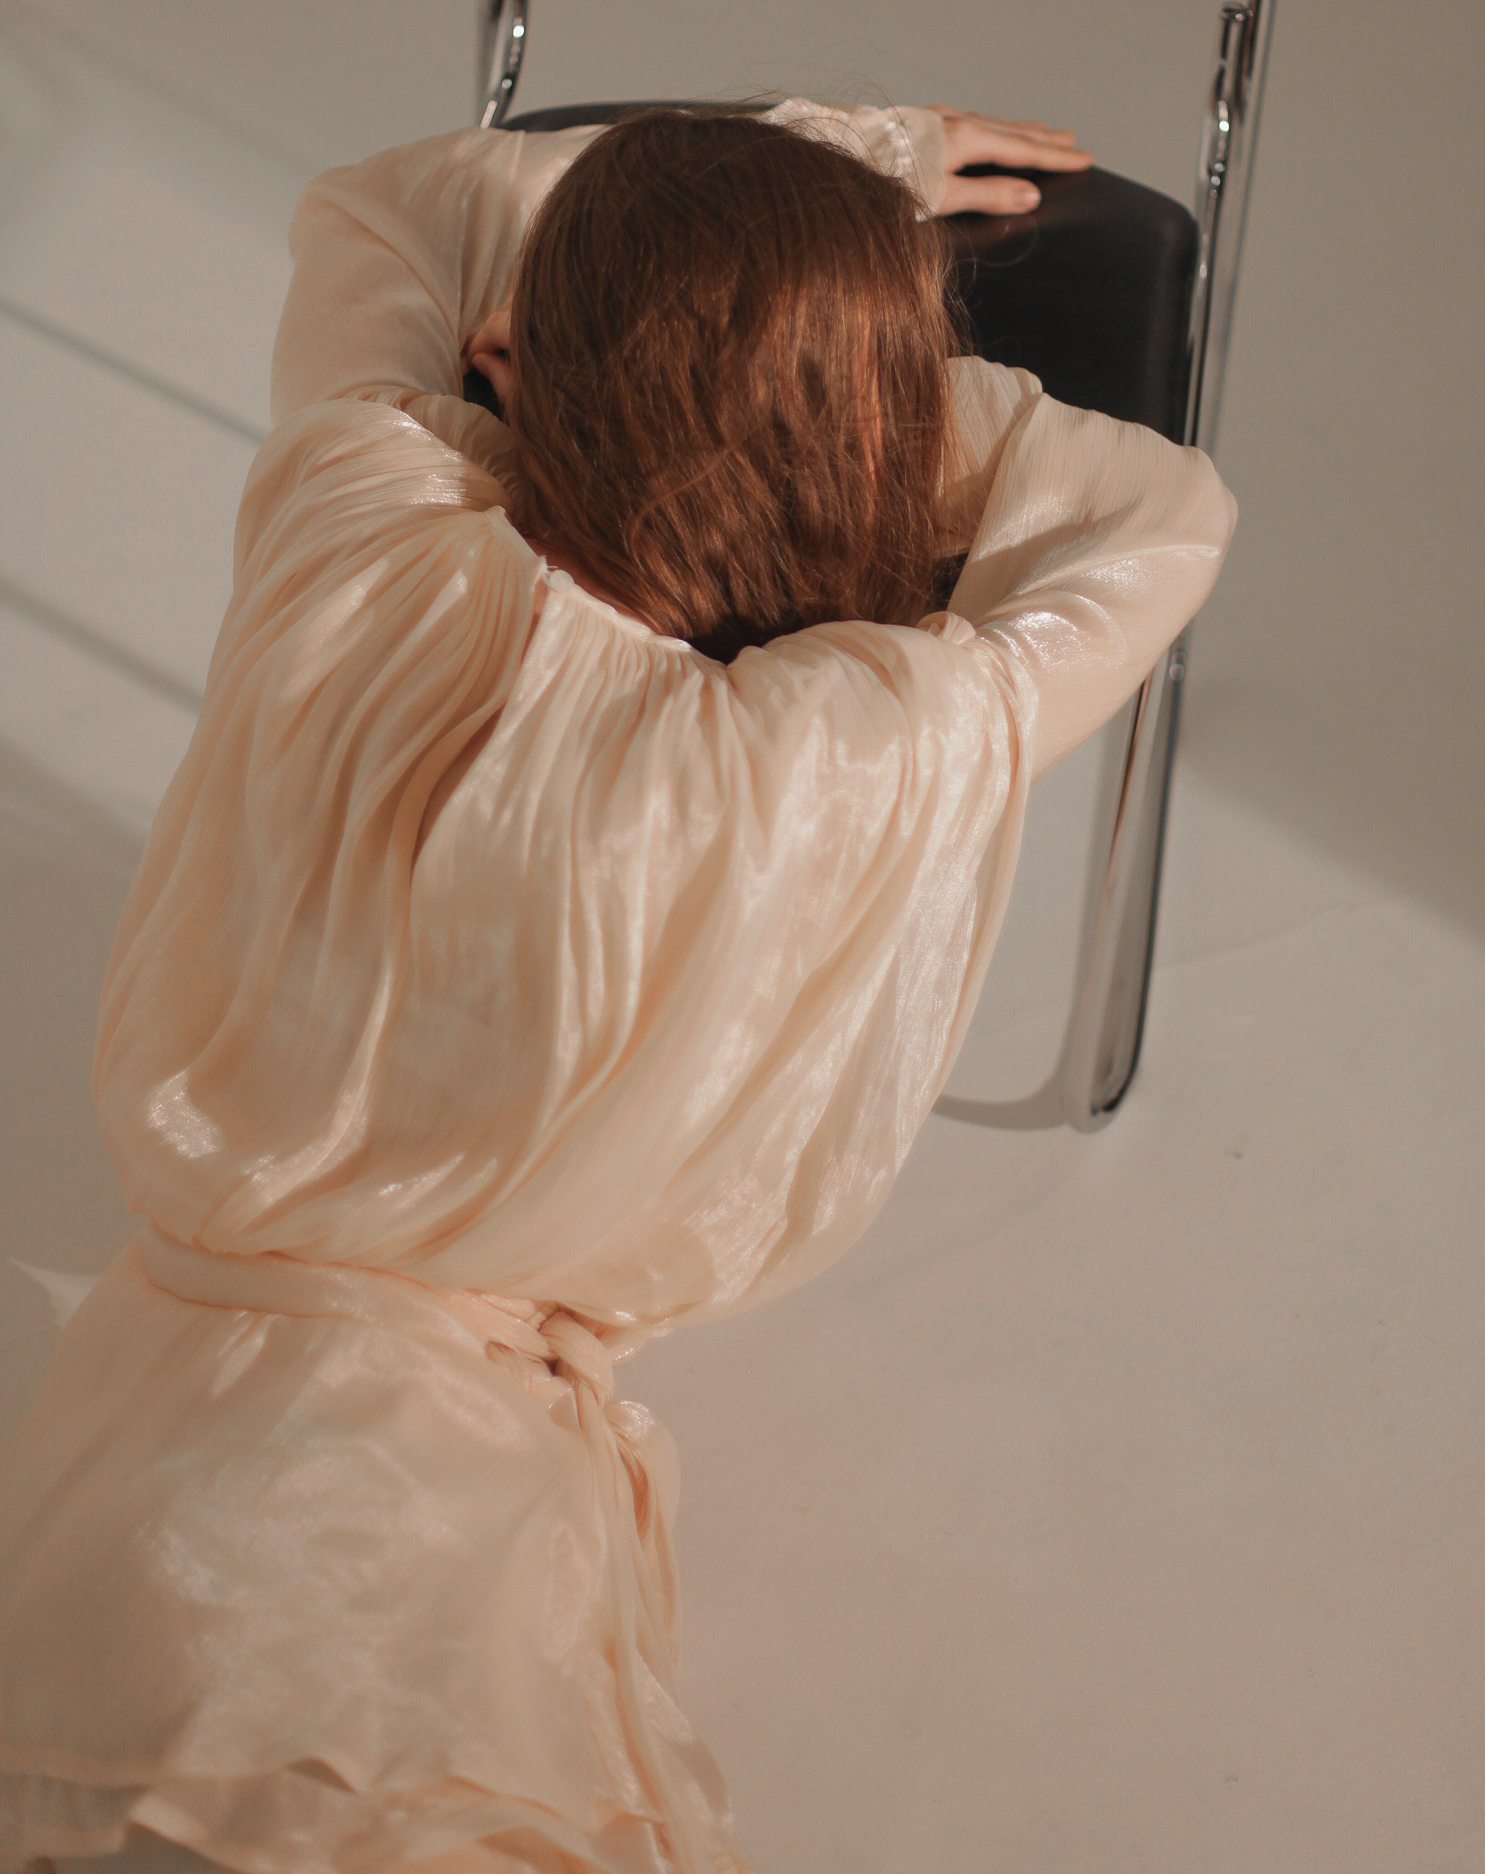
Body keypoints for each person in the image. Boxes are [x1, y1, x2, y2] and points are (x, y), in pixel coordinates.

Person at [0, 95, 1236, 1874]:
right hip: (424, 1480)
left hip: (168, 1407)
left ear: (509, 360)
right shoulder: (836, 754)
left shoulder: (359, 511)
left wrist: (796, 170)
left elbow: (394, 204)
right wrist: (828, 372)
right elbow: (1165, 511)